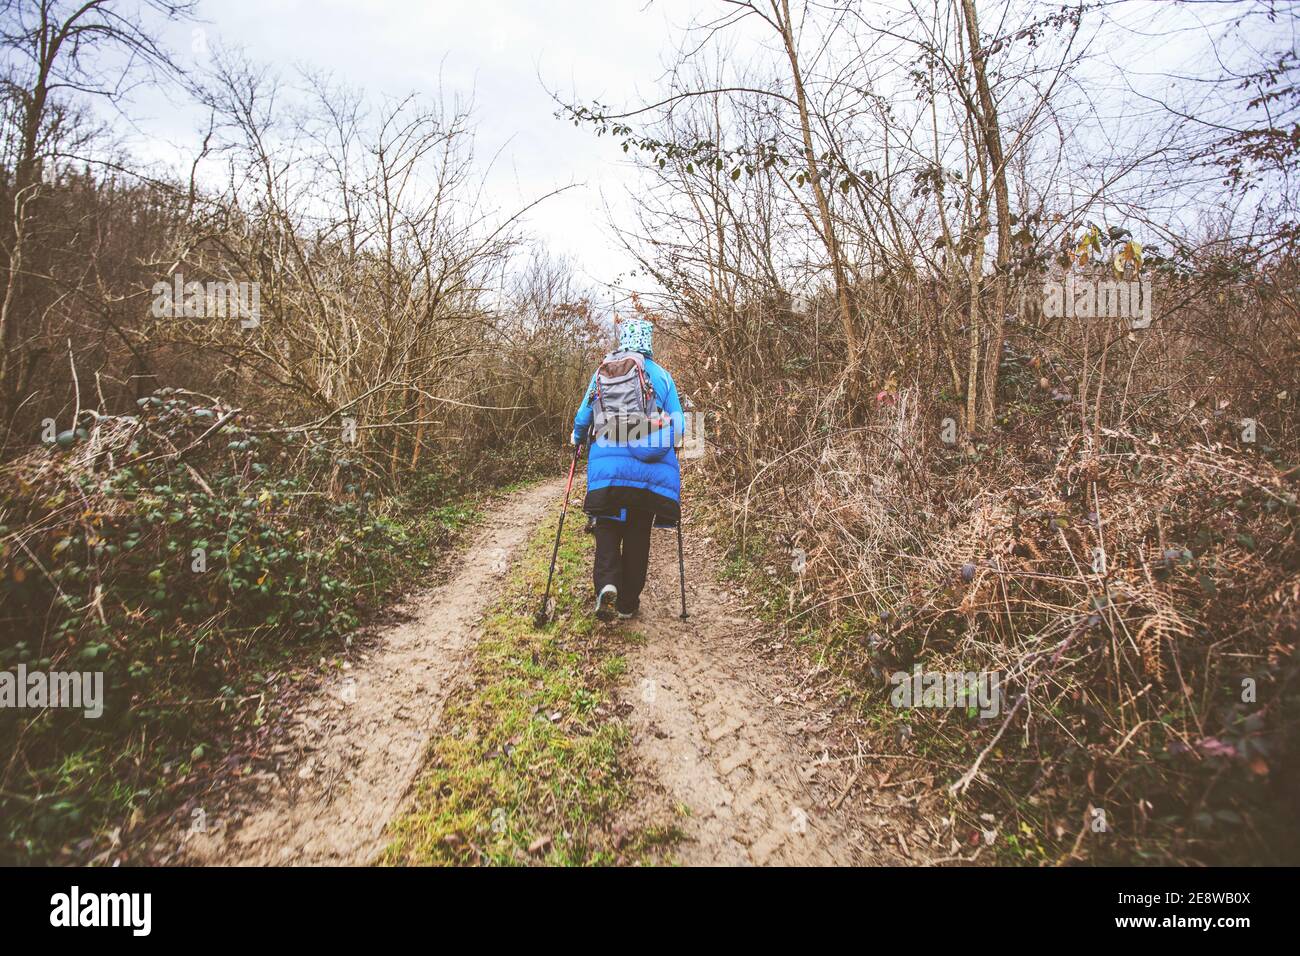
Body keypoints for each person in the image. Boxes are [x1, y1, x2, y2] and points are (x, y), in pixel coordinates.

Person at [571, 318, 683, 621]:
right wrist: (661, 438)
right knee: (638, 533)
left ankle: (607, 584)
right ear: (649, 342)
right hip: (648, 475)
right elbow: (680, 425)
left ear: (623, 340)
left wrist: (576, 439)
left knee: (606, 527)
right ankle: (628, 603)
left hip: (607, 471)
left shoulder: (602, 372)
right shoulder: (662, 377)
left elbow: (583, 417)